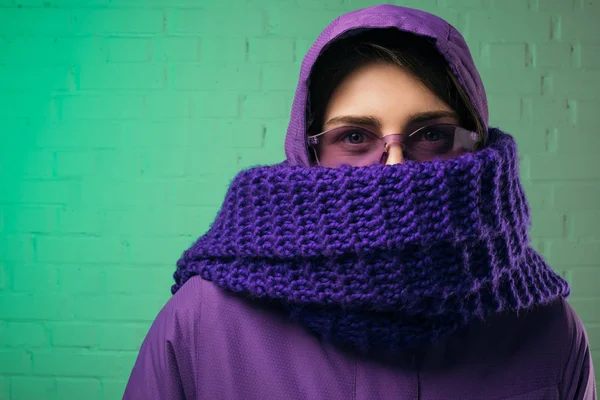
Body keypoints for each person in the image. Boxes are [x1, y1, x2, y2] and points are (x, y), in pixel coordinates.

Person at [123, 5, 596, 399]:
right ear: (307, 153)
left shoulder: (546, 330)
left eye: (431, 134)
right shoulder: (205, 320)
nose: (394, 168)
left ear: (475, 143)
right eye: (353, 136)